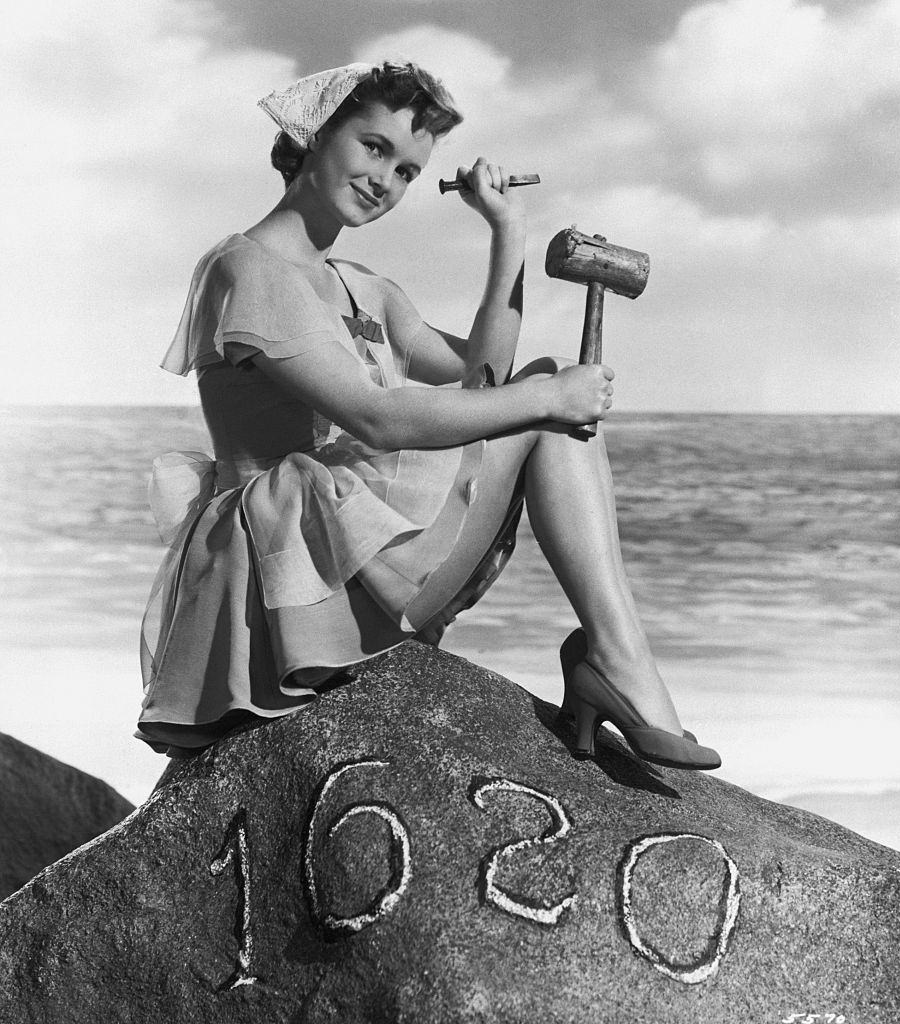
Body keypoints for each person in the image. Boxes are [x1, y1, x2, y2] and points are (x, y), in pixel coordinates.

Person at [137, 61, 720, 771]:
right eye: (374, 148)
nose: (386, 180)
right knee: (541, 397)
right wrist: (551, 397)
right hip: (286, 571)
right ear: (315, 135)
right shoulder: (247, 269)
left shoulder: (362, 287)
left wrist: (509, 231)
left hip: (335, 550)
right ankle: (617, 660)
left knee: (535, 391)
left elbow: (483, 375)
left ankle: (616, 653)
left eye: (409, 171)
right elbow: (378, 419)